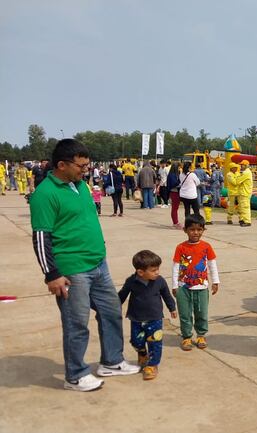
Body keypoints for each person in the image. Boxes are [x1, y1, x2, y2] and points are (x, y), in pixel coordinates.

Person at [31, 139, 140, 392]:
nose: (86, 170)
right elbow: (41, 238)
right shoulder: (45, 194)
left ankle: (112, 361)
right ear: (61, 165)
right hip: (72, 270)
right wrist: (52, 274)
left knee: (112, 311)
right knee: (76, 323)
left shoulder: (79, 185)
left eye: (87, 165)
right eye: (81, 165)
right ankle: (76, 375)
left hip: (98, 264)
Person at [118, 250, 177, 380]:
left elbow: (166, 295)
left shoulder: (160, 281)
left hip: (154, 318)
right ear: (140, 272)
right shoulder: (131, 281)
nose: (157, 272)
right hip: (136, 318)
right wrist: (114, 307)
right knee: (136, 341)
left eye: (158, 269)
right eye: (154, 270)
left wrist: (172, 308)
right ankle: (142, 353)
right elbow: (122, 295)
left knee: (155, 342)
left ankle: (152, 365)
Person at [173, 214, 220, 351]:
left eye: (199, 229)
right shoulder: (180, 247)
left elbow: (212, 265)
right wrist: (174, 285)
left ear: (203, 230)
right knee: (185, 314)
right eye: (192, 229)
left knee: (201, 313)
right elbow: (176, 266)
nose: (196, 232)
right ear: (185, 230)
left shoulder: (207, 247)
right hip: (183, 288)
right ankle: (186, 337)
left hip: (202, 287)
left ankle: (201, 335)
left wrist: (215, 281)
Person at [236, 160, 253, 227]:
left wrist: (237, 175)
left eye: (242, 165)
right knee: (242, 207)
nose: (240, 166)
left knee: (245, 207)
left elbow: (238, 181)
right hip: (243, 192)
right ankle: (243, 219)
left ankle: (247, 221)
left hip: (245, 192)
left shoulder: (246, 173)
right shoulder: (245, 172)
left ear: (245, 165)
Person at [167, 162, 182, 229]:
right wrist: (179, 181)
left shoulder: (174, 174)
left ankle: (176, 222)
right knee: (174, 208)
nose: (179, 169)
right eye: (179, 167)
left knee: (175, 208)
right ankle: (175, 222)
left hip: (176, 192)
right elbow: (174, 184)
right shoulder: (172, 175)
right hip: (174, 192)